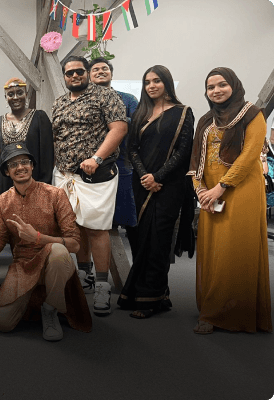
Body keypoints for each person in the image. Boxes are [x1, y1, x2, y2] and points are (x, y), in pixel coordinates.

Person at [0, 142, 91, 341]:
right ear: (7, 172)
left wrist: (38, 238)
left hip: (53, 265)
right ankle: (32, 301)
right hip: (23, 268)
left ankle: (50, 309)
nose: (20, 167)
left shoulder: (55, 194)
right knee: (2, 323)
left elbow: (74, 244)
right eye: (13, 165)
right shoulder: (2, 201)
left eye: (24, 162)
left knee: (59, 252)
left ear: (32, 165)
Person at [188, 67, 272, 334]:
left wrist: (221, 188)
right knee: (213, 251)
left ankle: (226, 313)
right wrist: (200, 190)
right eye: (211, 87)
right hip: (210, 192)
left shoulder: (252, 114)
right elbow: (195, 160)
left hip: (242, 188)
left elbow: (249, 156)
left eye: (222, 84)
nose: (216, 91)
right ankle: (212, 306)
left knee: (236, 249)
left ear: (234, 85)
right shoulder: (204, 120)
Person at [116, 65, 194, 318]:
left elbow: (184, 152)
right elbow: (133, 150)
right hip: (141, 186)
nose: (151, 85)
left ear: (167, 83)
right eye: (147, 81)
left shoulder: (183, 113)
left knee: (159, 242)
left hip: (169, 187)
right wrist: (144, 176)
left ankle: (149, 298)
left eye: (157, 81)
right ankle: (155, 294)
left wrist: (158, 177)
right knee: (139, 239)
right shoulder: (141, 112)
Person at [52, 55, 128, 316]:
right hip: (65, 176)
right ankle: (85, 276)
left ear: (86, 72)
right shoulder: (60, 102)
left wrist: (97, 158)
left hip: (96, 174)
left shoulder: (104, 96)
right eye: (69, 73)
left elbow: (118, 129)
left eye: (79, 71)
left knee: (96, 228)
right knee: (75, 227)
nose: (74, 76)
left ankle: (103, 285)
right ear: (64, 76)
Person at [0, 77, 53, 194]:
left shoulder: (39, 117)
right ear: (6, 98)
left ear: (26, 95)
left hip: (35, 183)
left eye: (19, 93)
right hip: (7, 185)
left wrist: (44, 185)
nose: (15, 97)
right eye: (11, 94)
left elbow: (47, 155)